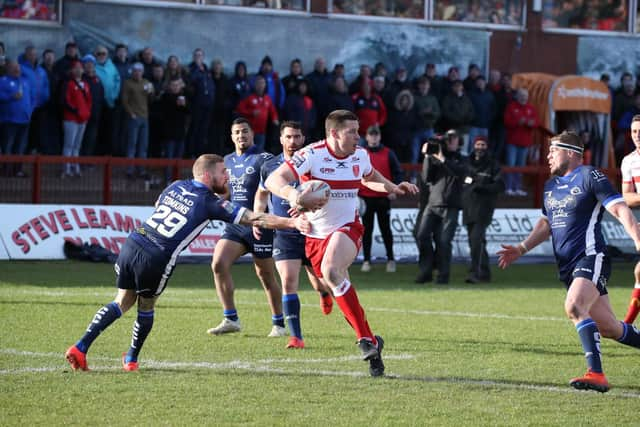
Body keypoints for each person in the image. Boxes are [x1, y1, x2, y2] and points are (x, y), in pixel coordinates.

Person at [64, 154, 311, 372]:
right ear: (207, 174)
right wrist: (291, 223)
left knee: (121, 302)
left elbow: (158, 205)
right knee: (146, 307)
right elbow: (253, 217)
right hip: (157, 256)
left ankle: (80, 347)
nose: (227, 176)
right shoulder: (209, 203)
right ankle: (131, 359)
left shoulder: (176, 186)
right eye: (222, 172)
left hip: (134, 243)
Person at [265, 109, 419, 377]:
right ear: (334, 133)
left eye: (358, 131)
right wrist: (295, 195)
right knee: (335, 283)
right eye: (352, 132)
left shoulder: (359, 155)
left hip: (349, 228)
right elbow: (273, 180)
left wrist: (393, 187)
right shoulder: (311, 155)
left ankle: (363, 341)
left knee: (332, 271)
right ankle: (370, 341)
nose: (358, 137)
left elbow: (371, 179)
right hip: (315, 237)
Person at [497, 130, 640, 393]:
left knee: (574, 306)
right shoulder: (551, 187)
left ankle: (596, 373)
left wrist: (638, 240)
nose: (548, 155)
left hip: (591, 256)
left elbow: (620, 208)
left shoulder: (590, 175)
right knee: (609, 327)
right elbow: (546, 223)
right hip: (568, 268)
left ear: (571, 153)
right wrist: (521, 247)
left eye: (553, 150)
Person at [255, 121, 334, 349]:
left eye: (297, 137)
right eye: (288, 137)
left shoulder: (314, 162)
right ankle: (296, 337)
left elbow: (326, 195)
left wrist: (309, 206)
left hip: (314, 231)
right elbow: (261, 195)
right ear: (281, 139)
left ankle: (323, 294)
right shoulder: (270, 167)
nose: (293, 142)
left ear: (303, 139)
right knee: (289, 281)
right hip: (286, 232)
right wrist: (258, 218)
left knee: (323, 282)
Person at [207, 118, 286, 337]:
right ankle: (231, 318)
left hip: (260, 224)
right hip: (236, 224)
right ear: (231, 137)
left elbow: (275, 187)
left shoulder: (264, 159)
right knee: (218, 264)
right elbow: (225, 192)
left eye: (244, 132)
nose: (241, 136)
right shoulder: (227, 161)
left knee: (265, 275)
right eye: (237, 133)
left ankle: (279, 324)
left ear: (252, 134)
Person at [414, 130, 467, 284]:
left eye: (453, 138)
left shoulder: (461, 159)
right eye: (447, 139)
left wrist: (442, 159)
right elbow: (426, 177)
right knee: (421, 235)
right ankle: (426, 271)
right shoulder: (435, 158)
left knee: (444, 241)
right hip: (433, 203)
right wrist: (427, 157)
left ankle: (443, 276)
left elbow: (459, 172)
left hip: (451, 205)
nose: (450, 141)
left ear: (458, 141)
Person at [359, 125, 403, 273]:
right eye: (371, 134)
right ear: (367, 137)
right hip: (366, 198)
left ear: (379, 136)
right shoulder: (361, 153)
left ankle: (391, 260)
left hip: (384, 197)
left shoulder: (388, 153)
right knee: (367, 230)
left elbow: (397, 172)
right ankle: (366, 260)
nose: (374, 137)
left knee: (386, 230)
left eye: (376, 134)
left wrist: (394, 188)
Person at [462, 136, 504, 283]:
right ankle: (485, 272)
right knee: (476, 241)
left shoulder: (493, 165)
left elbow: (500, 186)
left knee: (476, 240)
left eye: (483, 144)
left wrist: (482, 188)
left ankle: (475, 273)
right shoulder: (466, 163)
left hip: (484, 208)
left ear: (487, 146)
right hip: (468, 207)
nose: (480, 147)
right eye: (478, 144)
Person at [620, 115, 640, 324]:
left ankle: (625, 326)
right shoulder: (629, 161)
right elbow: (626, 196)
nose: (637, 135)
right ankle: (626, 326)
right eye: (634, 131)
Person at [503, 88, 539, 196]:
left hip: (525, 142)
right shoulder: (511, 107)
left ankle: (517, 187)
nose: (523, 97)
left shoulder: (530, 108)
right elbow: (506, 121)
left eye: (525, 95)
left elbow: (537, 122)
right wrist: (518, 122)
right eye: (521, 95)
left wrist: (531, 123)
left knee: (521, 166)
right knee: (511, 165)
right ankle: (509, 188)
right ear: (517, 96)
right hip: (512, 141)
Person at [121, 62, 153, 178]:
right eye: (135, 70)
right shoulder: (128, 83)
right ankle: (130, 169)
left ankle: (141, 169)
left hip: (145, 117)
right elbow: (124, 100)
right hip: (134, 117)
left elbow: (152, 98)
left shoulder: (146, 83)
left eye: (139, 71)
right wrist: (131, 113)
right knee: (132, 144)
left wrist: (150, 92)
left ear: (142, 72)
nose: (137, 73)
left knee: (143, 145)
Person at [60, 60, 91, 178]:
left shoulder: (86, 84)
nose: (78, 70)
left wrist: (86, 113)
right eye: (76, 68)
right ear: (72, 70)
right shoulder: (69, 84)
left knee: (77, 145)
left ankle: (75, 166)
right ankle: (66, 168)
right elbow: (66, 100)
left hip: (83, 118)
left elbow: (89, 102)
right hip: (71, 118)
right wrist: (75, 111)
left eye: (80, 68)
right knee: (69, 144)